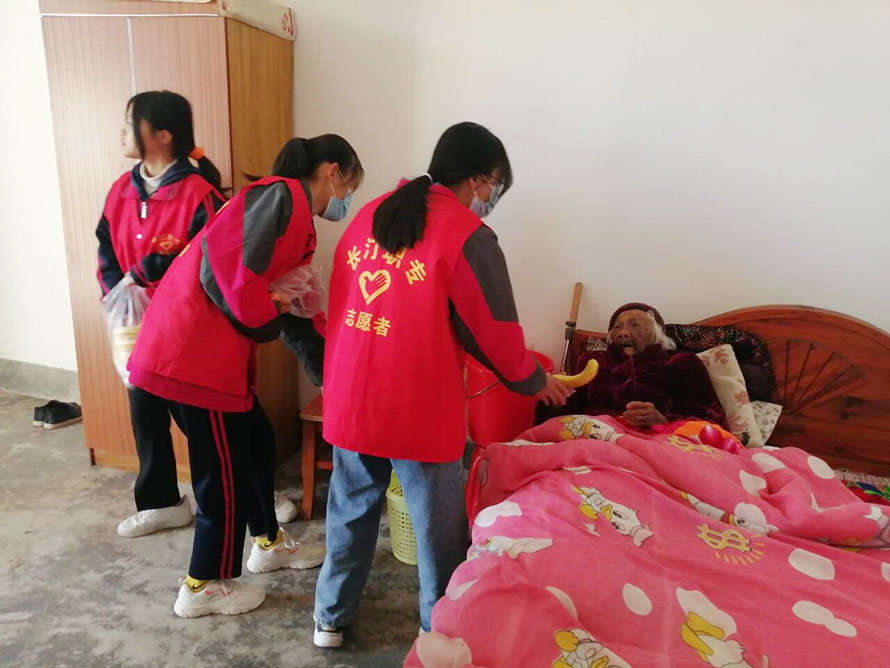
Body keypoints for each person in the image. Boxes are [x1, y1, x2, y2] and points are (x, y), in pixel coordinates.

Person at [314, 121, 573, 648]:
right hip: (417, 407)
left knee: (349, 512)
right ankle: (439, 630)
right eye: (495, 185)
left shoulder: (371, 214)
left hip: (352, 398)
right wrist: (531, 379)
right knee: (438, 529)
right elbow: (493, 330)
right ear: (479, 178)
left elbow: (345, 307)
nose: (492, 197)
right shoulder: (467, 234)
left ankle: (329, 620)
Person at [127, 134, 364, 618]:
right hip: (193, 356)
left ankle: (268, 542)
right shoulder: (280, 196)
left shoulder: (294, 215)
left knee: (257, 441)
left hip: (211, 355)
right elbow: (227, 274)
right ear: (333, 171)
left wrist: (329, 374)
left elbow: (294, 311)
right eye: (350, 186)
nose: (346, 199)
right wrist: (266, 313)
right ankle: (203, 584)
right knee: (223, 473)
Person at [97, 91, 223, 538]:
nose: (122, 131)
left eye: (131, 122)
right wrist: (117, 292)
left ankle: (246, 494)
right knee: (145, 416)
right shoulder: (121, 189)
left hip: (184, 328)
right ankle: (162, 502)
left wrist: (146, 275)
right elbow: (106, 249)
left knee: (201, 422)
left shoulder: (199, 193)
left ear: (163, 135)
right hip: (135, 327)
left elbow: (207, 261)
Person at [544, 303, 726, 429]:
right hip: (595, 439)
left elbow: (712, 420)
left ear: (658, 334)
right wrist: (554, 399)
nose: (623, 333)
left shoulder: (682, 362)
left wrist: (662, 420)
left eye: (635, 325)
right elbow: (567, 415)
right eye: (617, 327)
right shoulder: (593, 361)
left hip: (659, 444)